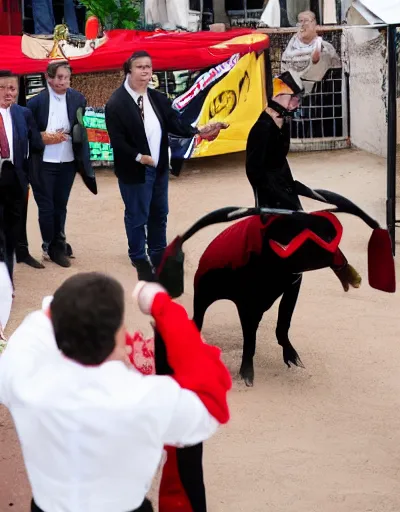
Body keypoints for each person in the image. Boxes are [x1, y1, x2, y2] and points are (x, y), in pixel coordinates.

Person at [0, 272, 231, 512]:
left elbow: (36, 326)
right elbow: (212, 397)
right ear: (116, 333)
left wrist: (66, 309)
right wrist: (162, 305)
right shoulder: (147, 398)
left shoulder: (23, 380)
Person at [105, 50, 227, 282]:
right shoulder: (116, 102)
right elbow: (117, 140)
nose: (145, 71)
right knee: (137, 214)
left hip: (159, 168)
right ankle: (138, 255)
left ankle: (158, 253)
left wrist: (199, 131)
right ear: (128, 70)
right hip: (135, 170)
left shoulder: (157, 98)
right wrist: (139, 157)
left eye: (148, 67)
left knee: (159, 212)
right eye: (140, 67)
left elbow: (175, 123)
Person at [246, 70, 361, 291]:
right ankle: (340, 267)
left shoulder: (281, 124)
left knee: (311, 232)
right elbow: (254, 171)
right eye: (293, 99)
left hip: (286, 190)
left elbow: (279, 162)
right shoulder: (261, 129)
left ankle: (340, 267)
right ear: (279, 97)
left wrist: (294, 187)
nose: (296, 104)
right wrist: (276, 194)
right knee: (297, 236)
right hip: (272, 200)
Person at [27, 60, 94, 268]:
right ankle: (49, 246)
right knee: (46, 207)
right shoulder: (35, 103)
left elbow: (80, 127)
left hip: (67, 160)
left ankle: (59, 240)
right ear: (48, 77)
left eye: (66, 77)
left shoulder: (78, 98)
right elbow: (27, 134)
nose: (63, 81)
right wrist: (42, 137)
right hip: (44, 161)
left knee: (60, 205)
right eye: (59, 77)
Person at [0, 70, 43, 284]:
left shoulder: (22, 113)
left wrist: (27, 175)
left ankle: (7, 282)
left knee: (10, 235)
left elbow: (36, 144)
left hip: (15, 181)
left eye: (13, 88)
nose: (9, 93)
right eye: (3, 88)